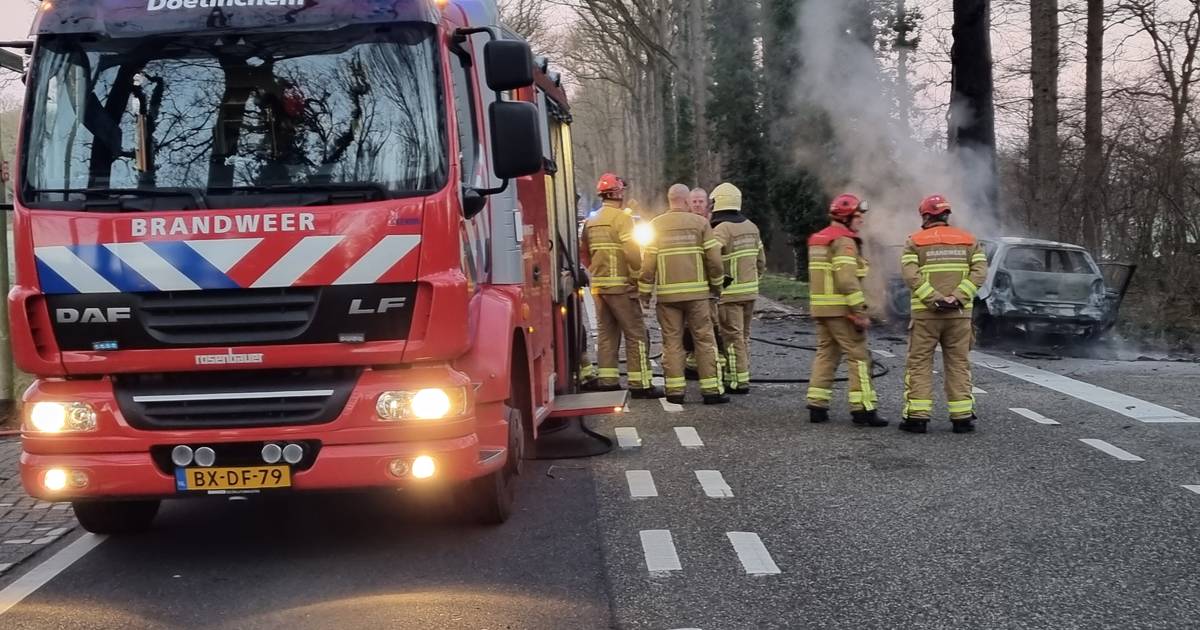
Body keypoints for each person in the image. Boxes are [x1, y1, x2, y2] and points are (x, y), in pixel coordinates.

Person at [899, 194, 988, 434]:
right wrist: (958, 297)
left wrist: (935, 299)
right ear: (947, 215)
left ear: (926, 216)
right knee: (958, 363)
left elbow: (910, 276)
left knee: (919, 363)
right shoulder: (970, 240)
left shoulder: (914, 241)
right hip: (959, 315)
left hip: (926, 315)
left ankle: (917, 418)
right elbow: (979, 272)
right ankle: (962, 418)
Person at [640, 184, 729, 405]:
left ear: (669, 200)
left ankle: (675, 392)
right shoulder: (700, 224)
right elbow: (714, 261)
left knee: (671, 342)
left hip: (668, 297)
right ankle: (711, 391)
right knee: (704, 340)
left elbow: (648, 264)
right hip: (698, 295)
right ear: (687, 201)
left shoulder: (656, 225)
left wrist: (645, 292)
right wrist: (717, 286)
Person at [806, 193, 887, 427]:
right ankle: (863, 409)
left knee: (826, 354)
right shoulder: (844, 241)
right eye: (858, 215)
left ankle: (817, 406)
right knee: (859, 356)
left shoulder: (820, 238)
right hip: (842, 310)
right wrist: (859, 311)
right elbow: (846, 279)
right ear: (847, 217)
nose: (861, 220)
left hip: (821, 308)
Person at [580, 173, 662, 399]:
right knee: (636, 333)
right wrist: (636, 277)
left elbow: (584, 252)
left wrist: (596, 272)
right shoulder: (622, 219)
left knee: (607, 334)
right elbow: (632, 252)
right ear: (617, 193)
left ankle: (608, 381)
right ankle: (641, 384)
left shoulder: (592, 220)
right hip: (621, 288)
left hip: (600, 287)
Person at [710, 183, 766, 394]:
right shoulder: (752, 226)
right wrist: (754, 279)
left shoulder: (722, 228)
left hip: (730, 293)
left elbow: (713, 254)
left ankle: (737, 381)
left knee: (731, 338)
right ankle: (739, 373)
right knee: (743, 336)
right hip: (750, 292)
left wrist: (717, 280)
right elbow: (761, 260)